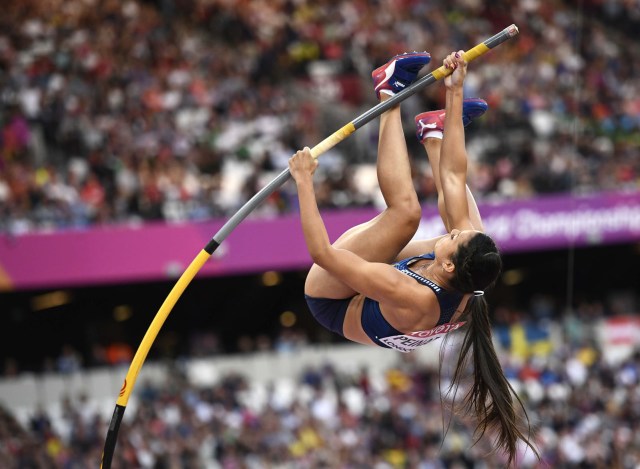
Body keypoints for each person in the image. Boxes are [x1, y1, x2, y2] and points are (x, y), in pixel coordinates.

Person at [288, 51, 539, 465]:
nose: (453, 233)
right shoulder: (467, 273)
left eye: (453, 241)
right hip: (400, 287)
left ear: (447, 266)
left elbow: (322, 254)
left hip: (333, 298)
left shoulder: (413, 295)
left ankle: (388, 90)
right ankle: (434, 133)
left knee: (405, 214)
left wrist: (303, 182)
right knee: (461, 213)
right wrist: (454, 94)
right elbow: (455, 179)